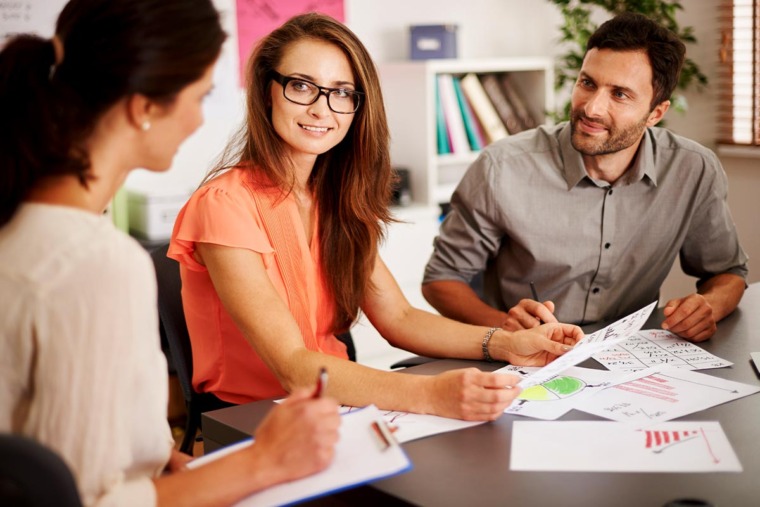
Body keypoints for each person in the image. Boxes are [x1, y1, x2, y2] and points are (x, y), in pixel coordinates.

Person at [0, 1, 340, 506]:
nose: (198, 120)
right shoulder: (96, 262)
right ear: (144, 107)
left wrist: (161, 457)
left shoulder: (30, 227)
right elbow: (87, 499)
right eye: (200, 96)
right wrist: (263, 460)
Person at [168, 13, 583, 421]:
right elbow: (293, 368)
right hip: (251, 418)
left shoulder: (333, 199)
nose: (321, 108)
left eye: (342, 92)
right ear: (266, 92)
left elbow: (399, 318)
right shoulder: (224, 205)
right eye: (301, 86)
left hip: (339, 402)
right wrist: (428, 394)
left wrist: (508, 343)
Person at [422, 12, 748, 343]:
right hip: (521, 362)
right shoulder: (502, 166)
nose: (591, 108)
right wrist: (506, 329)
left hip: (631, 355)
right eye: (587, 83)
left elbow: (727, 272)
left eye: (619, 94)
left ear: (656, 113)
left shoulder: (692, 169)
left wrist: (708, 306)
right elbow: (441, 280)